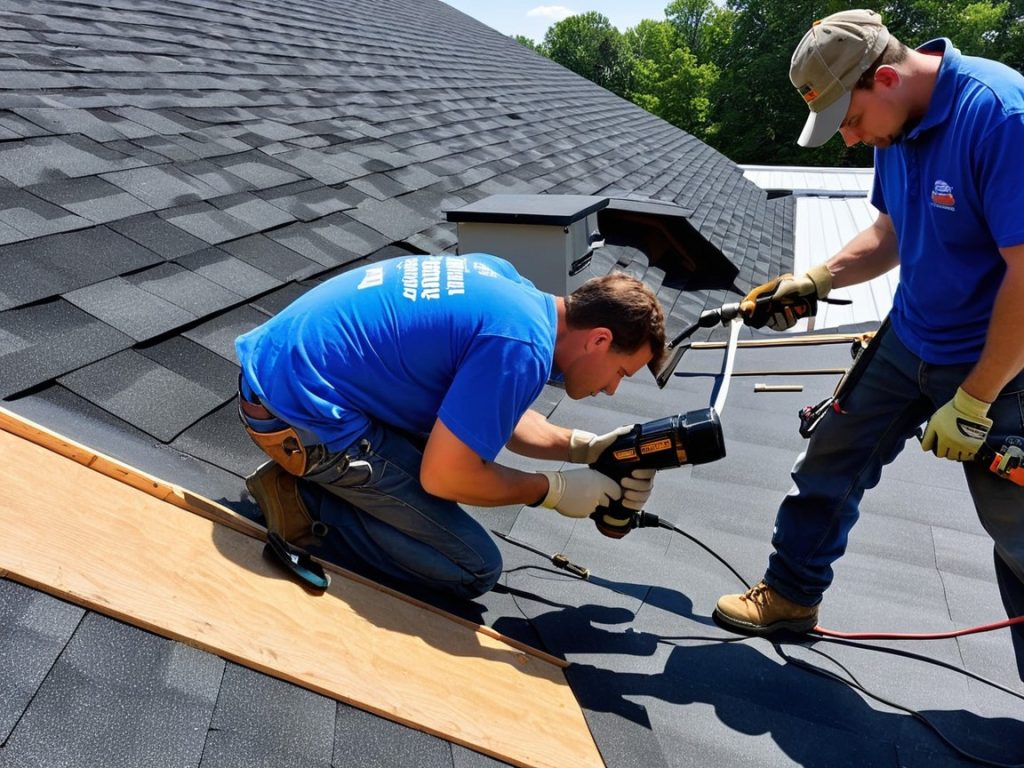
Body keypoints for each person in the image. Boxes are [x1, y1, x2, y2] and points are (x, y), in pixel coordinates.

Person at [713, 9, 1024, 658]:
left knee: (1018, 534)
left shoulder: (999, 116)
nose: (851, 141)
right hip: (909, 335)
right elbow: (890, 233)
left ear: (885, 77)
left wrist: (975, 400)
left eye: (849, 121)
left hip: (999, 362)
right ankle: (790, 595)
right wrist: (817, 280)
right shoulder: (896, 129)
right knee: (830, 459)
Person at [235, 252, 663, 599]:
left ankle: (325, 488)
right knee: (473, 567)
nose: (611, 390)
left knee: (458, 449)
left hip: (282, 377)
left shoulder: (510, 286)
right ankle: (307, 505)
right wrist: (551, 491)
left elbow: (492, 413)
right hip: (298, 416)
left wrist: (582, 447)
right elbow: (445, 476)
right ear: (600, 340)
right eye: (621, 373)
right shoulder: (520, 346)